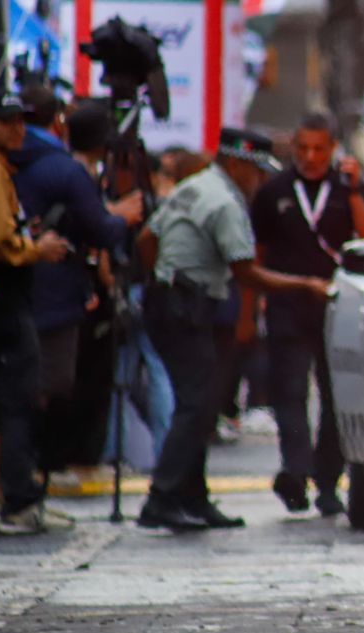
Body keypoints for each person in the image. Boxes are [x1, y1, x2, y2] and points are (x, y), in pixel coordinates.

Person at [136, 128, 332, 531]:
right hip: (185, 308)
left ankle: (192, 498)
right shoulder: (225, 202)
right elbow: (247, 272)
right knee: (195, 406)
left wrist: (164, 276)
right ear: (238, 164)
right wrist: (306, 285)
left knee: (201, 403)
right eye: (256, 171)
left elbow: (146, 238)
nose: (259, 181)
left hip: (169, 301)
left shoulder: (195, 187)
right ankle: (162, 498)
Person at [10, 90, 144, 478]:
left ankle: (19, 476)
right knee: (48, 384)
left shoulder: (27, 162)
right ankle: (32, 471)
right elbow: (101, 230)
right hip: (51, 293)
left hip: (31, 290)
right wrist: (120, 218)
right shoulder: (62, 169)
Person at [250, 113, 364, 517]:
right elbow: (258, 253)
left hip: (336, 307)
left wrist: (354, 191)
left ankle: (326, 482)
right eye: (302, 148)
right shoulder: (274, 191)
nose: (310, 156)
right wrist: (254, 307)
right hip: (287, 305)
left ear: (333, 148)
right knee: (288, 392)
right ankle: (295, 471)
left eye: (319, 148)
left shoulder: (347, 189)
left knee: (335, 394)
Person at [0, 91, 72, 534]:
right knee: (16, 402)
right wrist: (36, 248)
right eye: (7, 121)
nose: (17, 129)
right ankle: (19, 500)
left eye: (21, 121)